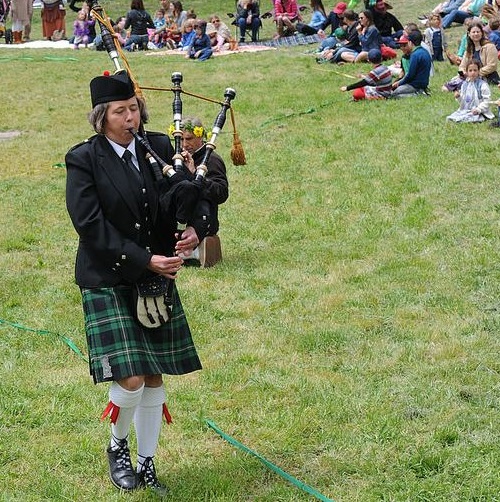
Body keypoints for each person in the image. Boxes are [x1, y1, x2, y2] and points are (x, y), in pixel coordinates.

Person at [65, 70, 204, 495]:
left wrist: (198, 226)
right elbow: (89, 225)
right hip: (109, 276)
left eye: (134, 109)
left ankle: (146, 463)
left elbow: (186, 196)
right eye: (120, 112)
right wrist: (146, 260)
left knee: (155, 375)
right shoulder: (84, 159)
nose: (131, 118)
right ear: (100, 117)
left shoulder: (159, 147)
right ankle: (117, 447)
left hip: (155, 275)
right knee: (130, 379)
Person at [175, 116, 229, 267]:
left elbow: (221, 193)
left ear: (200, 136)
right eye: (181, 140)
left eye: (189, 139)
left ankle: (195, 248)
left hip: (204, 219)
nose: (185, 145)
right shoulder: (178, 157)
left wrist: (196, 176)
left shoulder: (212, 160)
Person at [443, 20, 499, 90]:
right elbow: (462, 66)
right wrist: (463, 72)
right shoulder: (469, 49)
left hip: (487, 77)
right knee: (446, 87)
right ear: (469, 34)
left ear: (482, 33)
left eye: (478, 32)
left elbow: (492, 66)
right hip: (470, 76)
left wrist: (475, 73)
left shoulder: (490, 47)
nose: (476, 34)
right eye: (473, 32)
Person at [391, 30, 432, 98]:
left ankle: (419, 95)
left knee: (394, 94)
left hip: (414, 85)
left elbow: (410, 75)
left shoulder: (414, 55)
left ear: (410, 42)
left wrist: (399, 83)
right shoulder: (425, 51)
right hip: (424, 83)